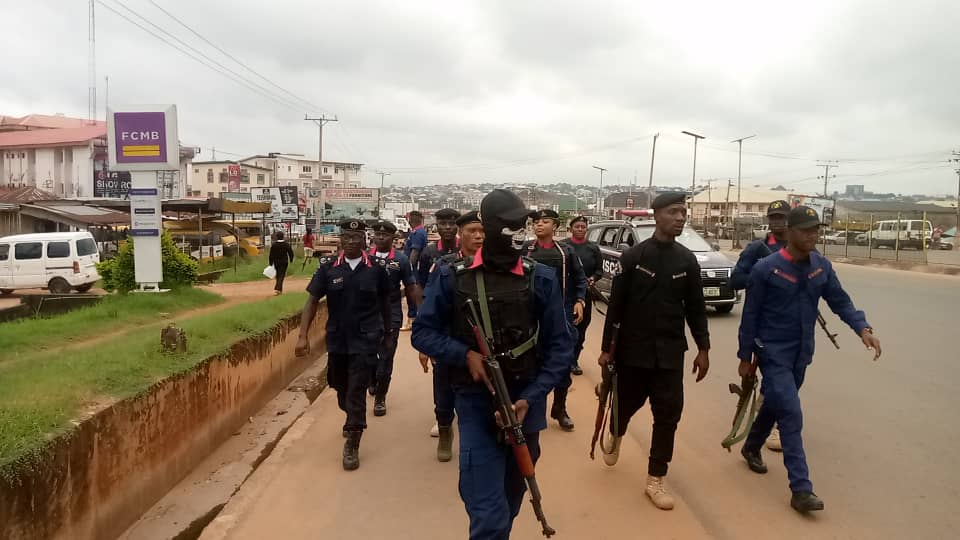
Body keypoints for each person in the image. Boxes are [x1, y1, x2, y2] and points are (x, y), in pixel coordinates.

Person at [412, 189, 572, 539]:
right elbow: (422, 333)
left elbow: (562, 347)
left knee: (512, 498)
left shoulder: (539, 277)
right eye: (510, 226)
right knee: (488, 513)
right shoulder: (451, 275)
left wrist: (531, 397)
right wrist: (464, 354)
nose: (519, 233)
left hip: (525, 404)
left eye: (523, 225)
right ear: (488, 227)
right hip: (475, 402)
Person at [737, 205, 881, 514]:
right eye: (806, 230)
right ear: (789, 232)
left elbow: (840, 301)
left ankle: (751, 446)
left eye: (816, 229)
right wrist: (745, 356)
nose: (813, 235)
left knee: (777, 404)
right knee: (791, 413)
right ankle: (801, 489)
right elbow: (749, 316)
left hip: (802, 352)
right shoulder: (766, 269)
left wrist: (862, 329)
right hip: (772, 352)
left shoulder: (821, 267)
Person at [598, 192, 710, 511]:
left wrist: (704, 348)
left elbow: (696, 309)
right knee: (625, 406)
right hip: (633, 353)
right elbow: (615, 308)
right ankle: (617, 431)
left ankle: (655, 479)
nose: (680, 217)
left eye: (683, 212)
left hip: (671, 354)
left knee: (668, 415)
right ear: (657, 214)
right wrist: (607, 350)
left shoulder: (686, 260)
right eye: (674, 212)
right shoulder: (633, 257)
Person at [294, 218, 392, 471]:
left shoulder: (377, 268)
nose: (350, 242)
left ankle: (353, 441)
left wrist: (387, 332)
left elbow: (386, 302)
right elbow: (312, 301)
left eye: (355, 238)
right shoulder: (328, 268)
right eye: (346, 238)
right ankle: (349, 414)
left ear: (364, 240)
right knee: (339, 385)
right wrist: (302, 335)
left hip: (366, 339)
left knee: (356, 390)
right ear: (340, 239)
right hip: (338, 339)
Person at [419, 209, 483, 460]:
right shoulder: (444, 266)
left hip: (480, 344)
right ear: (460, 234)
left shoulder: (493, 265)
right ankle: (445, 429)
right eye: (472, 231)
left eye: (482, 231)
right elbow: (429, 307)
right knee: (443, 394)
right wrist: (427, 345)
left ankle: (475, 441)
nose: (478, 236)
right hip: (447, 342)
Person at [730, 199, 790, 451]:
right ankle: (775, 427)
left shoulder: (800, 247)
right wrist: (763, 272)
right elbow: (736, 280)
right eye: (773, 217)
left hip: (792, 323)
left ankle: (767, 407)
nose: (777, 221)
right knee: (776, 377)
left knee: (785, 378)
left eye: (782, 216)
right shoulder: (758, 248)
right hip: (764, 322)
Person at [524, 208, 586, 431]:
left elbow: (580, 279)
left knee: (562, 361)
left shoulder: (566, 252)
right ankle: (530, 406)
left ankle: (560, 407)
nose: (539, 225)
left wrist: (580, 300)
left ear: (555, 226)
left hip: (561, 313)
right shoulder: (525, 250)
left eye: (545, 221)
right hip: (531, 315)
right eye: (536, 222)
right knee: (531, 363)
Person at [367, 220, 420, 417]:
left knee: (387, 355)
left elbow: (411, 286)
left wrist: (418, 312)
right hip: (367, 314)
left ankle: (381, 397)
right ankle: (372, 379)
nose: (381, 237)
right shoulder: (364, 257)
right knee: (369, 354)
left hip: (392, 313)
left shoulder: (401, 260)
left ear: (393, 238)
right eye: (377, 234)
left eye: (385, 235)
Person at [566, 215, 602, 376]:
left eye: (583, 227)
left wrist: (593, 279)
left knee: (581, 329)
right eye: (577, 226)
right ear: (571, 229)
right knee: (567, 327)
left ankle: (574, 360)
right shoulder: (564, 246)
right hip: (567, 294)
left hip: (585, 294)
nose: (580, 229)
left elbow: (599, 271)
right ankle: (563, 359)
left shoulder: (593, 248)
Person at [418, 208, 461, 287]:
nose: (448, 227)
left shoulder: (465, 249)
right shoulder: (428, 252)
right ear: (437, 226)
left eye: (452, 223)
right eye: (443, 223)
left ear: (458, 226)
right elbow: (423, 283)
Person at [401, 210, 427, 330]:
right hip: (415, 268)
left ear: (411, 220)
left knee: (412, 293)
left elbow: (414, 252)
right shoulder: (418, 231)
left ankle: (413, 320)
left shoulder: (417, 233)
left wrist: (408, 268)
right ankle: (413, 319)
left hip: (414, 269)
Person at [268, 231, 295, 295]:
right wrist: (291, 259)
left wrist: (270, 262)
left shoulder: (274, 245)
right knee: (281, 275)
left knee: (278, 275)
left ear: (277, 237)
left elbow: (271, 254)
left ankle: (279, 290)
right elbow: (291, 253)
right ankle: (278, 289)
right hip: (284, 262)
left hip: (276, 262)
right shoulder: (286, 244)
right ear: (283, 237)